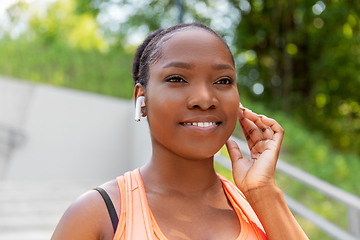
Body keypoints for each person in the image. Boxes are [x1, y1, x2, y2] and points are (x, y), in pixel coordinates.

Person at [51, 23, 309, 240]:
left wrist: (262, 192)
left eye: (223, 81)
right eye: (177, 79)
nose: (205, 98)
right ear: (142, 99)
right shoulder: (97, 215)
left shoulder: (258, 209)